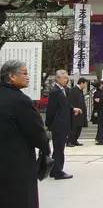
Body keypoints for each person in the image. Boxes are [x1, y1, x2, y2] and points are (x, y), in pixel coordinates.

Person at [0, 61, 52, 208]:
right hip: (17, 163)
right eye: (24, 73)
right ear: (11, 76)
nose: (28, 77)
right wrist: (46, 144)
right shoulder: (20, 101)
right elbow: (36, 133)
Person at [46, 69, 82, 179]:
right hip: (58, 125)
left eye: (67, 77)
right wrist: (49, 124)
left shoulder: (63, 90)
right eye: (64, 78)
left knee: (59, 149)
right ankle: (58, 171)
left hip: (64, 123)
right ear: (58, 78)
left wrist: (73, 109)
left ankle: (54, 170)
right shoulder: (55, 91)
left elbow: (64, 105)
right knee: (59, 149)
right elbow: (51, 109)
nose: (67, 80)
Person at [68, 77, 88, 146]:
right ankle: (69, 141)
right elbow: (70, 101)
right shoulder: (74, 90)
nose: (85, 86)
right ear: (81, 83)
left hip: (80, 113)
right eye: (85, 84)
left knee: (78, 128)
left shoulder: (80, 91)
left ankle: (74, 140)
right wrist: (74, 109)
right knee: (73, 128)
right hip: (75, 113)